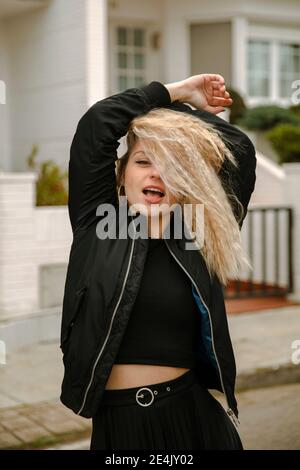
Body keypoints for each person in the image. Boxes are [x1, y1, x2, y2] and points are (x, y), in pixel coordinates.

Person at [59, 74, 256, 450]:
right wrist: (177, 92)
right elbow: (97, 126)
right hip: (120, 427)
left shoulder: (198, 231)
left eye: (173, 166)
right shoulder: (99, 224)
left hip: (192, 419)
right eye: (143, 160)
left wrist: (185, 113)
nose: (157, 173)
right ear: (121, 176)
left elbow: (238, 149)